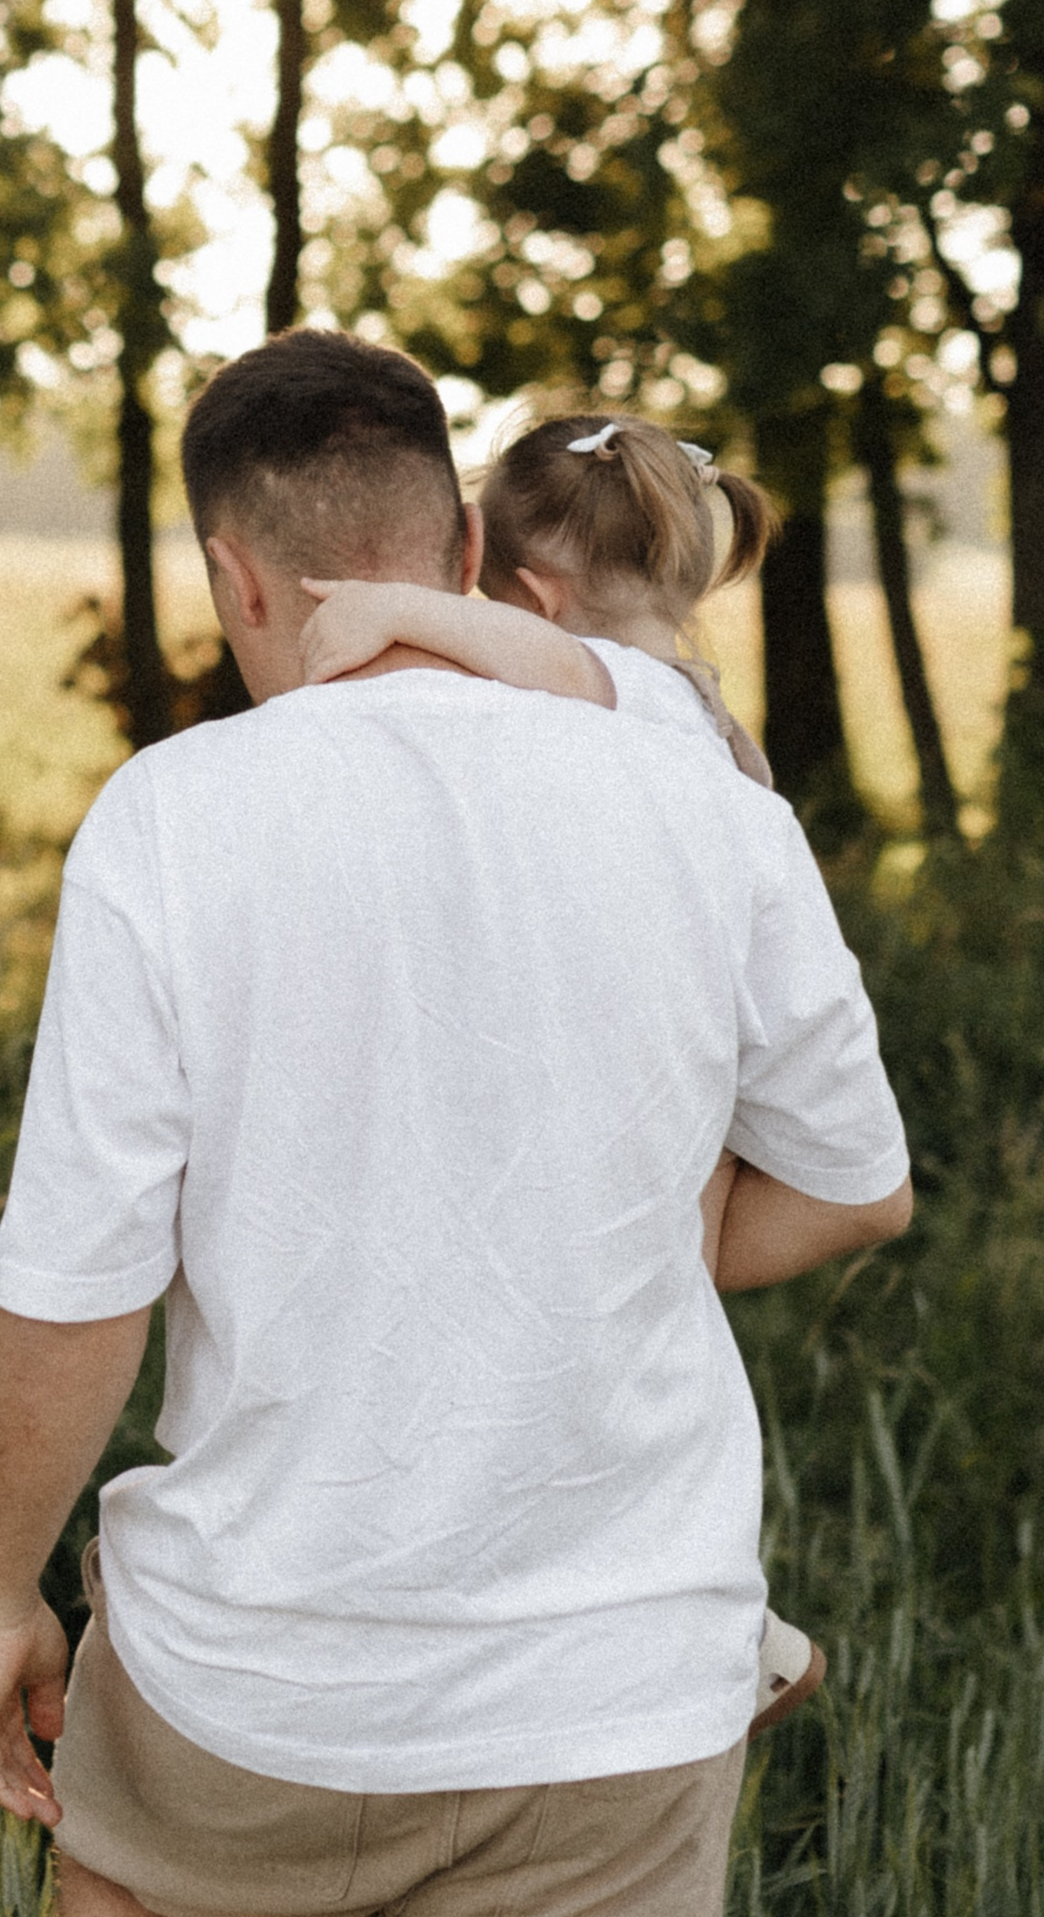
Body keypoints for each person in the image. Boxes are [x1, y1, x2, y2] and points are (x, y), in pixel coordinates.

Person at [0, 330, 910, 1917]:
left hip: (270, 1673)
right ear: (463, 553)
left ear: (222, 573)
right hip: (613, 1688)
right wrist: (673, 1253)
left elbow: (79, 1279)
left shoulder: (178, 818)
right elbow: (855, 1186)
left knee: (105, 1826)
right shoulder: (698, 796)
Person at [296, 407, 826, 1741]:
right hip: (668, 1098)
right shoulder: (707, 739)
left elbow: (570, 669)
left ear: (529, 594)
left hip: (657, 1119)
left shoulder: (650, 708)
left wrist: (380, 608)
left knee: (572, 1354)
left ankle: (727, 1630)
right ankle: (726, 1628)